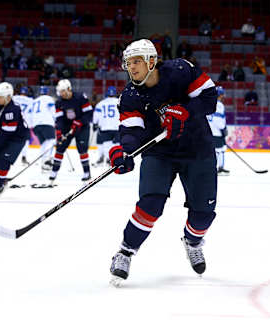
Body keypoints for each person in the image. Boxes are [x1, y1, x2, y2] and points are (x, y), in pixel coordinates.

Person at [108, 39, 217, 286]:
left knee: (203, 216)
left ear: (152, 61)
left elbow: (210, 98)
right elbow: (131, 131)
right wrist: (122, 151)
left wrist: (186, 110)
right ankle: (125, 251)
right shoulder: (131, 95)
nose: (132, 68)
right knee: (150, 205)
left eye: (137, 62)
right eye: (129, 63)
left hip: (197, 149)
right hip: (160, 152)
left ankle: (193, 241)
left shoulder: (181, 71)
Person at [50, 79, 93, 183]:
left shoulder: (80, 97)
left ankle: (87, 172)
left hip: (82, 127)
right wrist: (59, 132)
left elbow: (89, 114)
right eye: (60, 92)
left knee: (82, 149)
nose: (61, 94)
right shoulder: (59, 102)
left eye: (63, 91)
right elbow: (59, 119)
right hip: (67, 126)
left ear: (69, 89)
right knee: (60, 147)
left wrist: (80, 122)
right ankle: (54, 172)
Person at [92, 86, 120, 166]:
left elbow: (96, 115)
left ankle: (107, 160)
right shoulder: (119, 102)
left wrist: (94, 124)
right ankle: (115, 160)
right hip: (116, 127)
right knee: (116, 145)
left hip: (105, 127)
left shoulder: (101, 103)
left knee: (106, 145)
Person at [31, 86, 56, 171]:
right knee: (52, 141)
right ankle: (47, 161)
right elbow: (53, 111)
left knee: (44, 143)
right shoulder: (48, 98)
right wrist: (56, 120)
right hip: (46, 122)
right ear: (47, 92)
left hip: (36, 124)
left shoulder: (35, 100)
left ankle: (43, 163)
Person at [207, 87, 229, 175]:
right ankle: (220, 168)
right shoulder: (219, 105)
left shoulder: (209, 103)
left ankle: (214, 167)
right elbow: (218, 119)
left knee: (215, 150)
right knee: (221, 150)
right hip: (217, 132)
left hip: (211, 131)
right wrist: (223, 128)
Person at [12, 86, 34, 165]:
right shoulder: (31, 100)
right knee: (25, 141)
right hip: (25, 123)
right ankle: (24, 157)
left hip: (14, 122)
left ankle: (8, 156)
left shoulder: (14, 98)